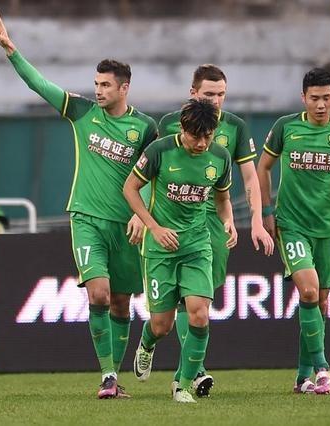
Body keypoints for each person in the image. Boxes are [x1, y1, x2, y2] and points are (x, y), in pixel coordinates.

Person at [0, 13, 158, 398]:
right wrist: (12, 52)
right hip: (86, 219)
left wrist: (141, 214)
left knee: (121, 302)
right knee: (98, 294)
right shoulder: (82, 112)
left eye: (105, 85)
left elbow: (152, 175)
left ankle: (116, 378)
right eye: (96, 83)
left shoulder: (146, 128)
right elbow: (40, 85)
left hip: (126, 225)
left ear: (124, 88)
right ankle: (107, 376)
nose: (98, 90)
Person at [157, 64, 274, 397]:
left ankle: (186, 373)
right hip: (174, 219)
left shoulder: (235, 127)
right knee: (183, 299)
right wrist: (143, 218)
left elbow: (250, 177)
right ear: (193, 93)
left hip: (214, 222)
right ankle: (194, 373)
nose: (216, 100)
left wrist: (254, 220)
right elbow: (151, 169)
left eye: (221, 94)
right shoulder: (168, 124)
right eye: (209, 94)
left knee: (200, 301)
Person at [256, 68, 330, 394]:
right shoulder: (286, 127)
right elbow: (263, 168)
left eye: (326, 98)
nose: (321, 104)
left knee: (320, 301)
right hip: (292, 226)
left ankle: (302, 377)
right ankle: (322, 368)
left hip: (327, 228)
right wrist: (267, 212)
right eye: (314, 98)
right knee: (307, 291)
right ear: (303, 97)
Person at [124, 98, 236, 403]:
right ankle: (147, 343)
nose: (201, 143)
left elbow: (222, 199)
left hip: (197, 245)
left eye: (207, 136)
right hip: (160, 249)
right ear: (182, 129)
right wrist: (154, 227)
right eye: (195, 136)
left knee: (199, 314)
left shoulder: (220, 157)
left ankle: (182, 385)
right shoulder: (159, 151)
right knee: (162, 325)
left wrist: (228, 221)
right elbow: (130, 188)